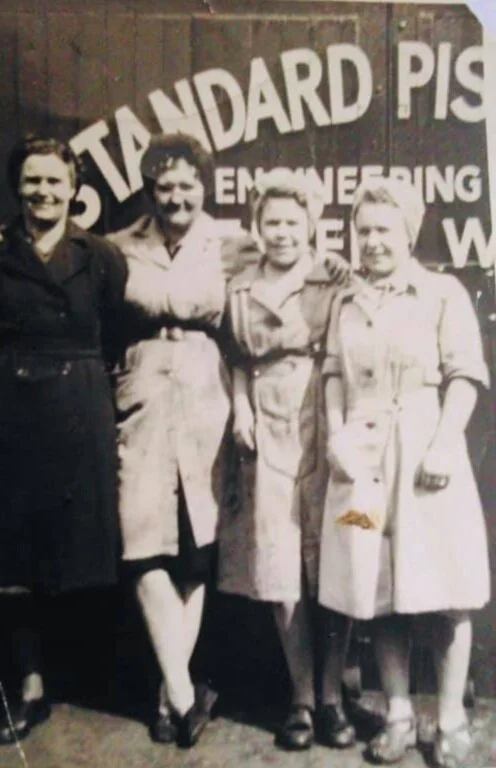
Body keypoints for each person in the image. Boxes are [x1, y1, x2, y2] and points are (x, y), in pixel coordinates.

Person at [318, 177, 490, 766]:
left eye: (383, 230)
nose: (371, 242)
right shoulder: (346, 302)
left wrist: (445, 443)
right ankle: (394, 712)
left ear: (408, 233)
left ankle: (448, 718)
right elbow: (333, 375)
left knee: (445, 590)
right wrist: (337, 433)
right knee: (376, 587)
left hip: (424, 453)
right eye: (362, 231)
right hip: (363, 461)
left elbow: (464, 376)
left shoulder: (442, 293)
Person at [0, 135, 128, 744]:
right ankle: (30, 685)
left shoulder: (100, 256)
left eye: (54, 181)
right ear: (17, 189)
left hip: (77, 409)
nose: (43, 192)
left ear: (75, 190)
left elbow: (114, 332)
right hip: (8, 413)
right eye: (32, 182)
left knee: (80, 548)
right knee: (9, 560)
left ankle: (98, 682)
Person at [218, 169, 355, 751]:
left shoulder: (335, 280)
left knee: (344, 551)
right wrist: (240, 407)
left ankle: (332, 696)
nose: (281, 233)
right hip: (268, 429)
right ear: (258, 226)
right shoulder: (240, 289)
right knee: (279, 568)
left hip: (329, 423)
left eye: (291, 222)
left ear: (310, 225)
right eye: (270, 222)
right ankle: (300, 698)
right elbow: (235, 359)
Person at [108, 133, 232, 748]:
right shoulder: (118, 246)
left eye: (187, 184)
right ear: (150, 190)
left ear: (203, 187)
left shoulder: (231, 241)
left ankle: (168, 698)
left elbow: (299, 261)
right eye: (165, 185)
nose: (176, 195)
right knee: (140, 545)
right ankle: (184, 693)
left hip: (206, 401)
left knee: (195, 549)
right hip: (143, 400)